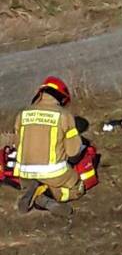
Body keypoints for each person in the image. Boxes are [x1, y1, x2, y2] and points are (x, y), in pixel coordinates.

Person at [14, 76, 97, 217]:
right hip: (53, 173)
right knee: (78, 188)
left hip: (23, 172)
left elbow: (18, 144)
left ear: (40, 93)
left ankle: (33, 187)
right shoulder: (64, 116)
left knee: (33, 179)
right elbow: (73, 152)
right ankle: (46, 198)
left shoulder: (23, 114)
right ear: (62, 98)